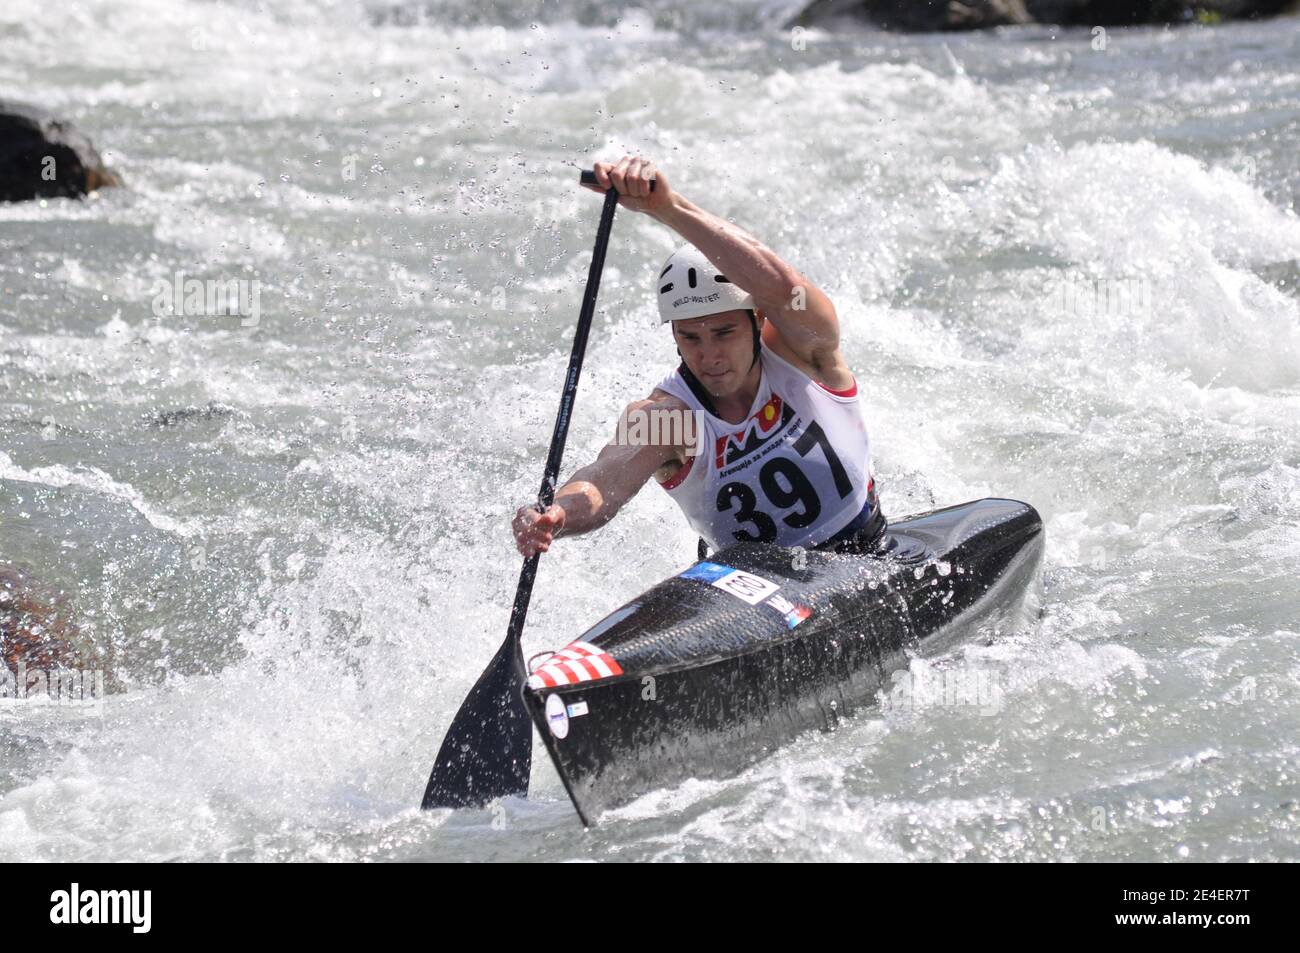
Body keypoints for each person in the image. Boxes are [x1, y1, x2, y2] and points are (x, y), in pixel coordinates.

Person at [513, 155, 883, 561]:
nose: (709, 356)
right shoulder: (668, 419)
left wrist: (668, 209)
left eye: (724, 333)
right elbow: (605, 479)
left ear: (757, 319)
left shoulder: (804, 354)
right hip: (756, 589)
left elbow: (783, 285)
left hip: (870, 550)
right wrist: (558, 514)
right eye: (690, 337)